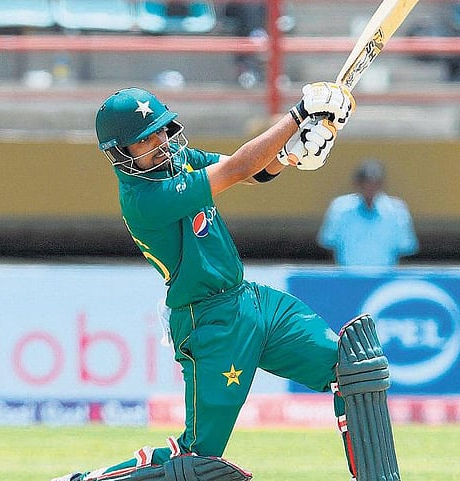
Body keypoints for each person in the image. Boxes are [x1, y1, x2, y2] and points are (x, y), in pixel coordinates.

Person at [52, 84, 399, 481]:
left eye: (161, 130)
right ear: (120, 153)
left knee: (354, 369)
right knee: (196, 460)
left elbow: (253, 171)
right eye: (144, 140)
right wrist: (298, 115)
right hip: (209, 323)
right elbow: (235, 170)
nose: (159, 143)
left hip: (250, 300)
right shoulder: (144, 199)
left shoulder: (178, 160)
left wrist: (290, 154)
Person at [317, 158, 419, 267]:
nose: (370, 188)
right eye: (365, 183)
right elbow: (329, 243)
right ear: (357, 184)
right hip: (347, 274)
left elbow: (405, 247)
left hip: (385, 275)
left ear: (382, 184)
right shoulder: (340, 208)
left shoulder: (397, 210)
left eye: (375, 183)